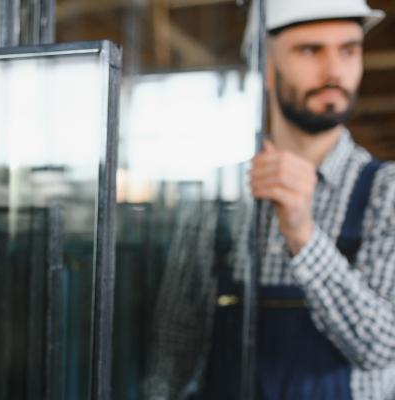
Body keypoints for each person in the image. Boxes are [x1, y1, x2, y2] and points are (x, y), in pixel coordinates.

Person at [145, 1, 395, 399]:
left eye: (349, 49)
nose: (335, 71)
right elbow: (175, 341)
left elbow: (381, 347)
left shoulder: (387, 192)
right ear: (264, 64)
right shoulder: (221, 193)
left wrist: (302, 233)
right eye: (310, 50)